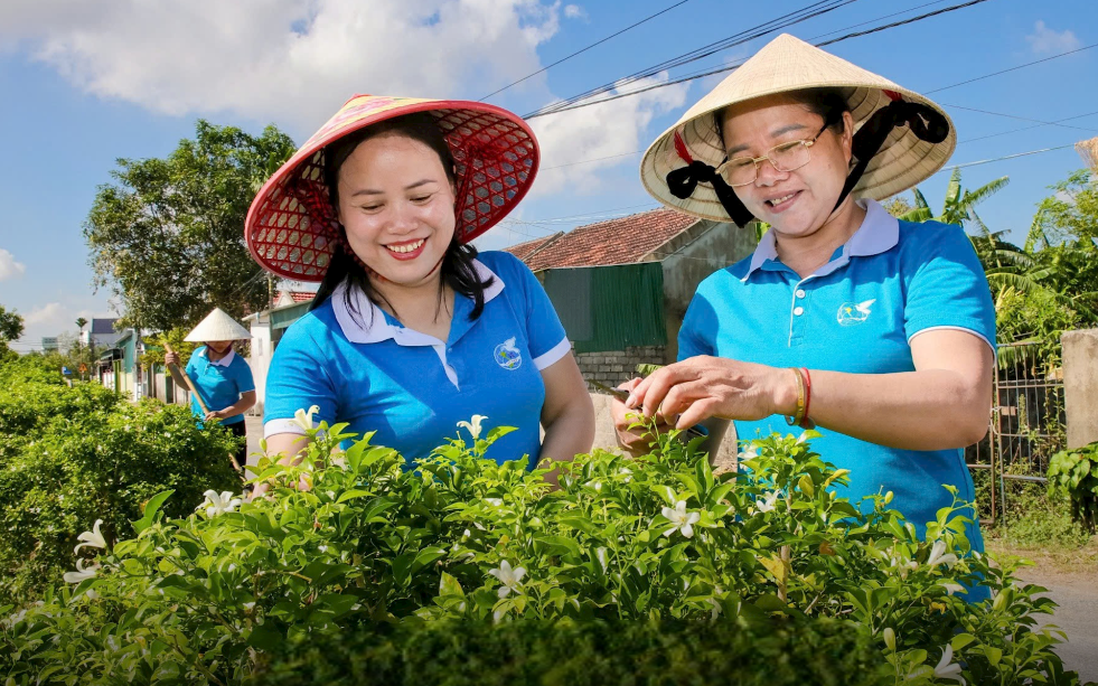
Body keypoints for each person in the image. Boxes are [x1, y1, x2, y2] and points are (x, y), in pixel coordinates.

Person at [615, 34, 996, 551]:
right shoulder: (718, 297)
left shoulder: (928, 254)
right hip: (776, 585)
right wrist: (649, 435)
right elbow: (689, 459)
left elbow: (961, 407)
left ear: (846, 135)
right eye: (743, 160)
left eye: (790, 144)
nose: (768, 175)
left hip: (920, 587)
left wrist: (784, 388)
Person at [244, 94, 594, 492]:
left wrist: (525, 515)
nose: (401, 223)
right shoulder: (312, 346)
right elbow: (286, 487)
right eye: (371, 206)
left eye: (421, 197)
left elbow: (571, 409)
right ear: (337, 211)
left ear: (453, 187)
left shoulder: (509, 282)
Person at [165, 308, 257, 475]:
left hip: (229, 428)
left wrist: (223, 414)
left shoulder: (239, 366)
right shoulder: (197, 356)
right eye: (215, 339)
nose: (220, 343)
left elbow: (249, 399)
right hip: (199, 425)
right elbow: (187, 385)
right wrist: (172, 367)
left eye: (224, 338)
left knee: (231, 477)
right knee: (202, 476)